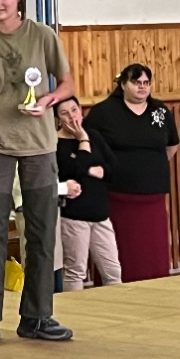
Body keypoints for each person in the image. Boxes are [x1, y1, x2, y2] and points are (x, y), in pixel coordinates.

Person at [0, 0, 75, 342]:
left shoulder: (43, 36)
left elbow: (67, 83)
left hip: (39, 146)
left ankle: (37, 316)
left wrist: (48, 100)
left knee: (41, 233)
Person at [84, 63, 180, 282]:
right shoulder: (103, 112)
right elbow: (88, 146)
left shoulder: (160, 111)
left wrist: (148, 166)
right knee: (120, 252)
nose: (142, 87)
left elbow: (172, 145)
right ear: (123, 84)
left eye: (146, 83)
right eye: (136, 82)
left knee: (152, 252)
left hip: (152, 194)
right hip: (116, 195)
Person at [54, 96, 123, 291]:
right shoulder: (56, 143)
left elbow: (113, 168)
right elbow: (75, 170)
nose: (71, 117)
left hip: (100, 214)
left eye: (74, 110)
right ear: (58, 119)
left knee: (113, 270)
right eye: (65, 113)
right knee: (76, 271)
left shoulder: (95, 136)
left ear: (81, 111)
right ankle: (74, 308)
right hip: (74, 217)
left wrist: (98, 171)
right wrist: (82, 140)